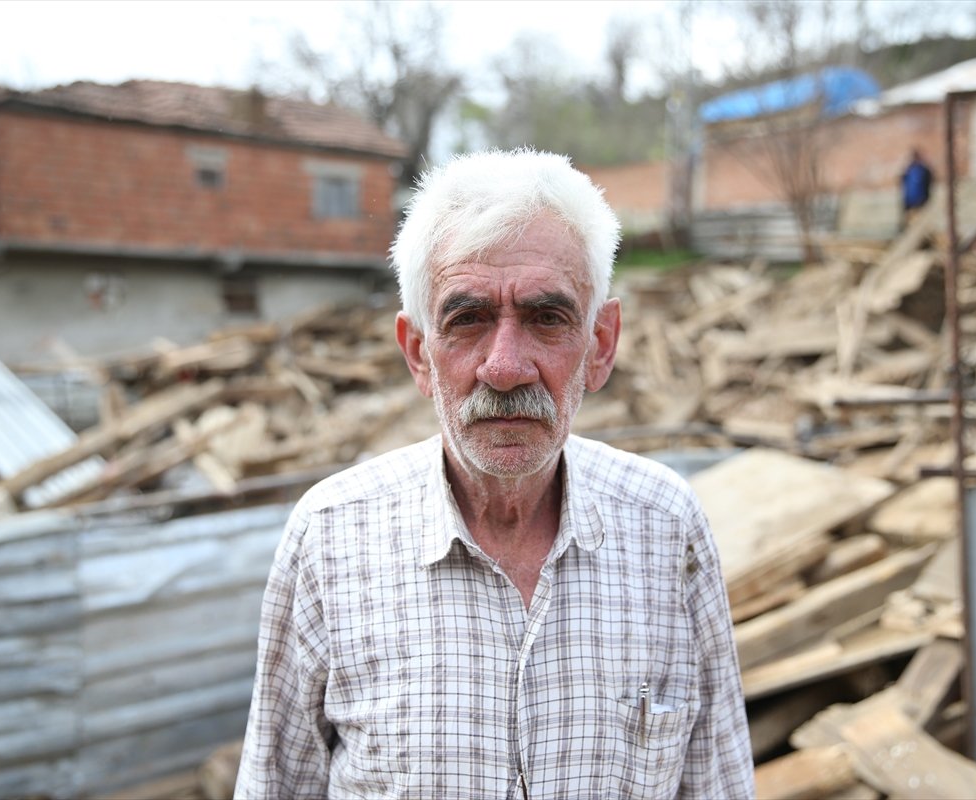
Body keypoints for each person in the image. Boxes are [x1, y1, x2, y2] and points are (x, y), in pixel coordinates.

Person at [234, 148, 755, 799]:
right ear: (418, 353)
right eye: (468, 319)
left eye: (547, 318)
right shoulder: (330, 539)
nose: (505, 368)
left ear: (600, 345)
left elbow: (719, 786)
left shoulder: (666, 529)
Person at [900, 148, 934, 229]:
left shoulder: (918, 170)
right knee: (913, 223)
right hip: (913, 202)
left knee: (919, 222)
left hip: (916, 201)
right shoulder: (909, 170)